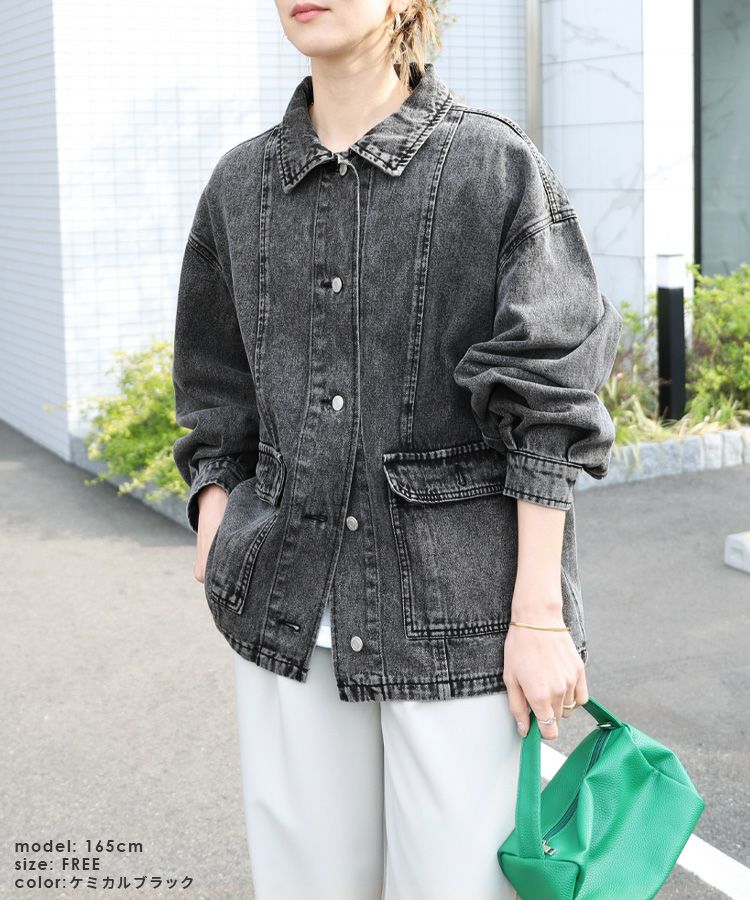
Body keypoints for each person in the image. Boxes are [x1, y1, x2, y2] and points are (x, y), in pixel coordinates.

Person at [171, 1, 623, 897]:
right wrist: (214, 501)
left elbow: (550, 394)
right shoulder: (239, 186)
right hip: (287, 606)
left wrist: (538, 617)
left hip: (460, 622)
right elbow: (215, 381)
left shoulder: (492, 165)